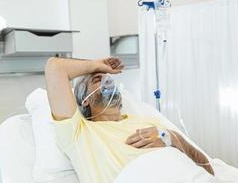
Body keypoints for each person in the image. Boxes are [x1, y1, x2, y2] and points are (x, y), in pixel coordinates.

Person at [45, 57, 214, 183]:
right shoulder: (79, 132)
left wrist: (170, 137)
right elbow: (55, 67)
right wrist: (98, 65)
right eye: (98, 79)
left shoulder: (150, 123)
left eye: (109, 78)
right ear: (85, 100)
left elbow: (207, 168)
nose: (108, 81)